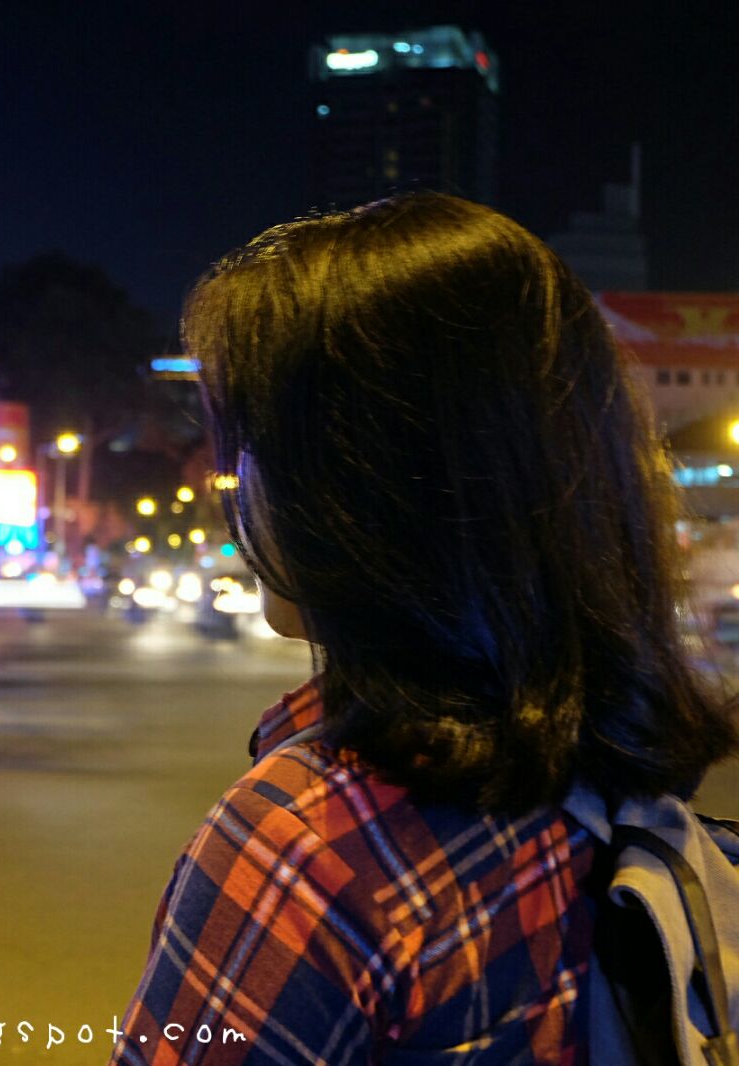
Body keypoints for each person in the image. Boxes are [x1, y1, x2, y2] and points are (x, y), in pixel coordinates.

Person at [110, 192, 738, 1064]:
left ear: (362, 489)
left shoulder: (309, 850)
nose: (239, 488)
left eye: (255, 448)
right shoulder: (616, 791)